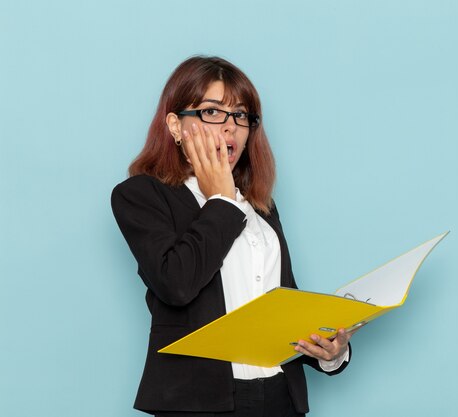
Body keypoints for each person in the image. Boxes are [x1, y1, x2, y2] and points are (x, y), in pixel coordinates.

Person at [111, 56, 351, 417]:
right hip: (198, 404)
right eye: (212, 112)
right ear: (176, 126)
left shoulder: (261, 207)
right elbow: (176, 283)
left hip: (281, 399)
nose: (230, 128)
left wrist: (331, 353)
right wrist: (221, 198)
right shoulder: (141, 195)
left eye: (241, 115)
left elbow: (283, 301)